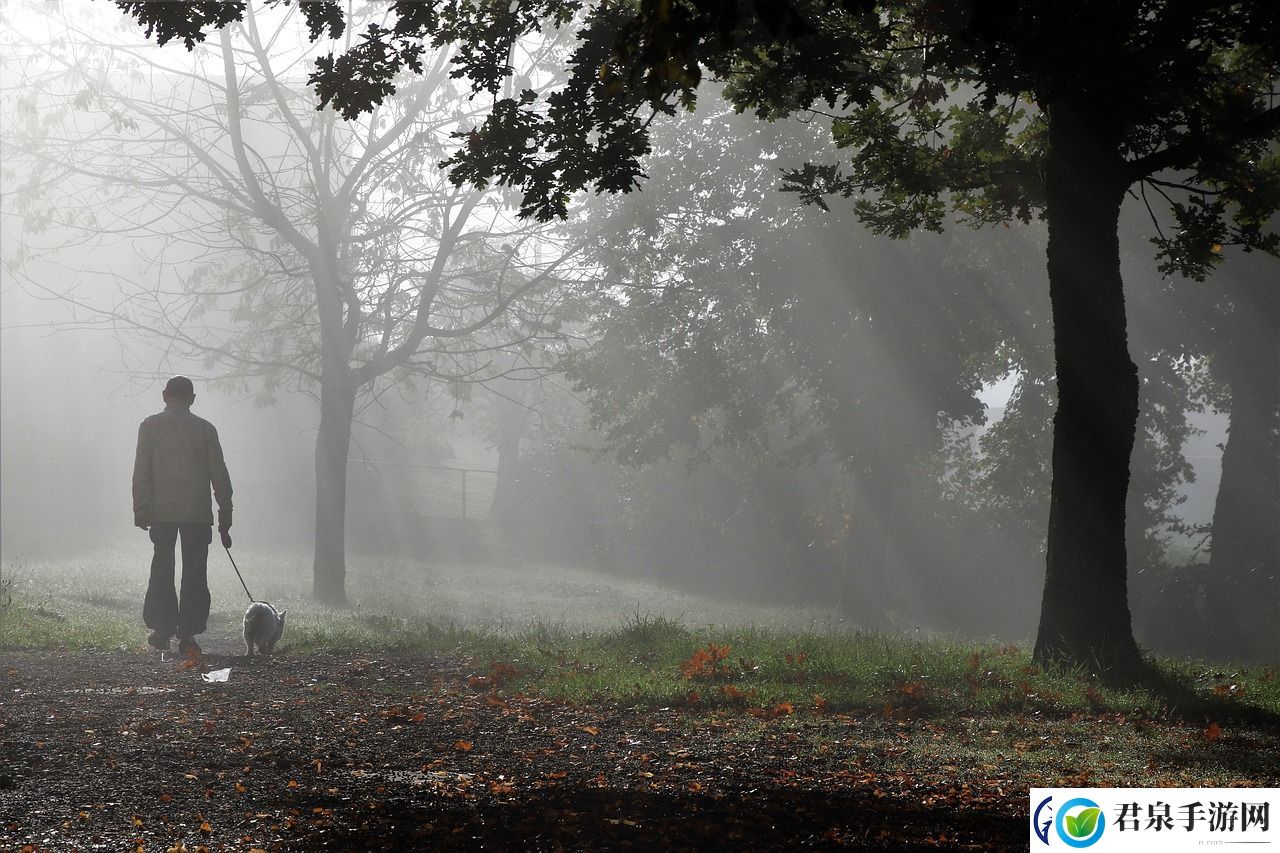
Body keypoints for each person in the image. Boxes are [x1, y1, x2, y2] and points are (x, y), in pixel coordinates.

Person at [132, 376, 233, 656]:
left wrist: (141, 508)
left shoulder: (149, 426)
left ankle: (162, 629)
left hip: (161, 512)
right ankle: (187, 633)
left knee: (162, 567)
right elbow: (219, 474)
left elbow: (142, 471)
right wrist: (225, 513)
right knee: (195, 572)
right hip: (197, 513)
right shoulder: (205, 429)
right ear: (192, 398)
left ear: (164, 395)